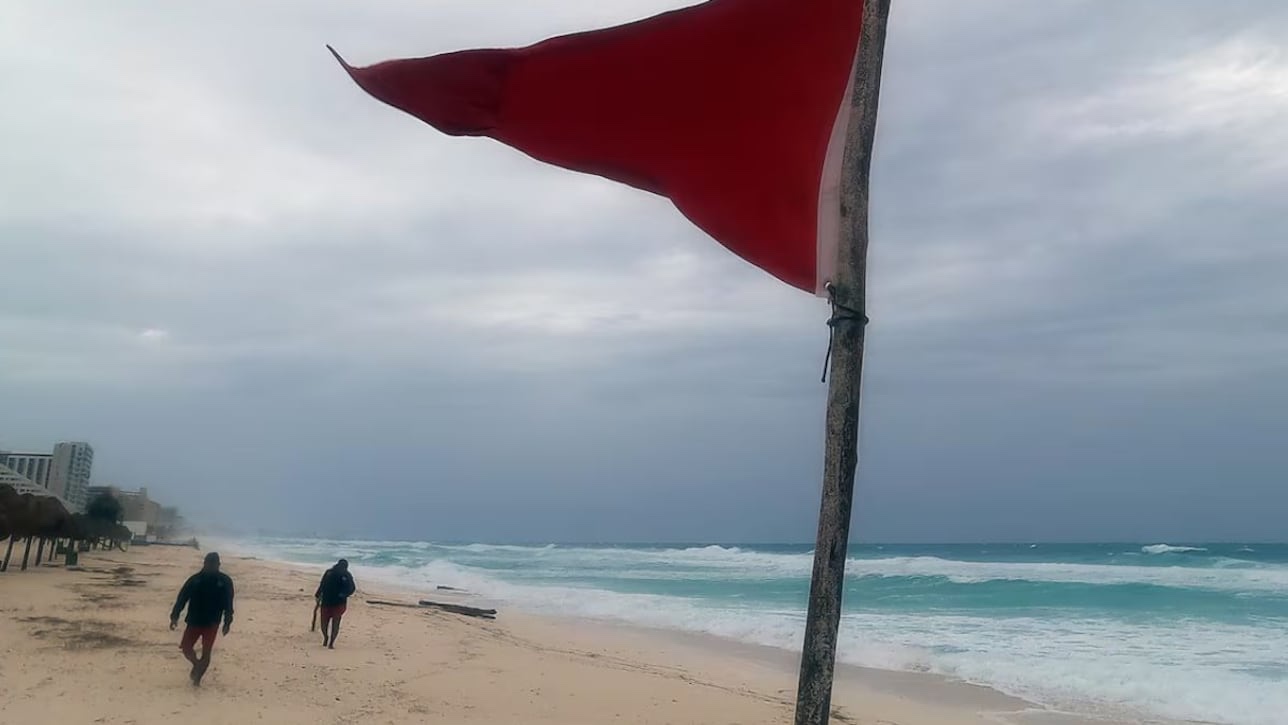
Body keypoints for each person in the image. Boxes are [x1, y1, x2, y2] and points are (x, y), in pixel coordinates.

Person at [170, 552, 234, 686]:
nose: (211, 567)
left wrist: (227, 622)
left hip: (212, 622)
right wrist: (174, 616)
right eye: (208, 563)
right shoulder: (194, 580)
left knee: (207, 651)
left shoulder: (225, 581)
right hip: (194, 620)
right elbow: (182, 598)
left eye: (214, 564)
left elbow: (229, 604)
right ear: (204, 563)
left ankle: (197, 680)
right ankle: (197, 664)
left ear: (218, 565)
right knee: (186, 648)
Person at [314, 558, 356, 649]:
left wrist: (317, 595)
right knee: (335, 623)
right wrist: (344, 594)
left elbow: (322, 585)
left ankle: (326, 638)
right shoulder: (346, 574)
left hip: (327, 601)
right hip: (338, 602)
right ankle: (331, 642)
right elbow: (352, 588)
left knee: (324, 623)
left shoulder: (329, 572)